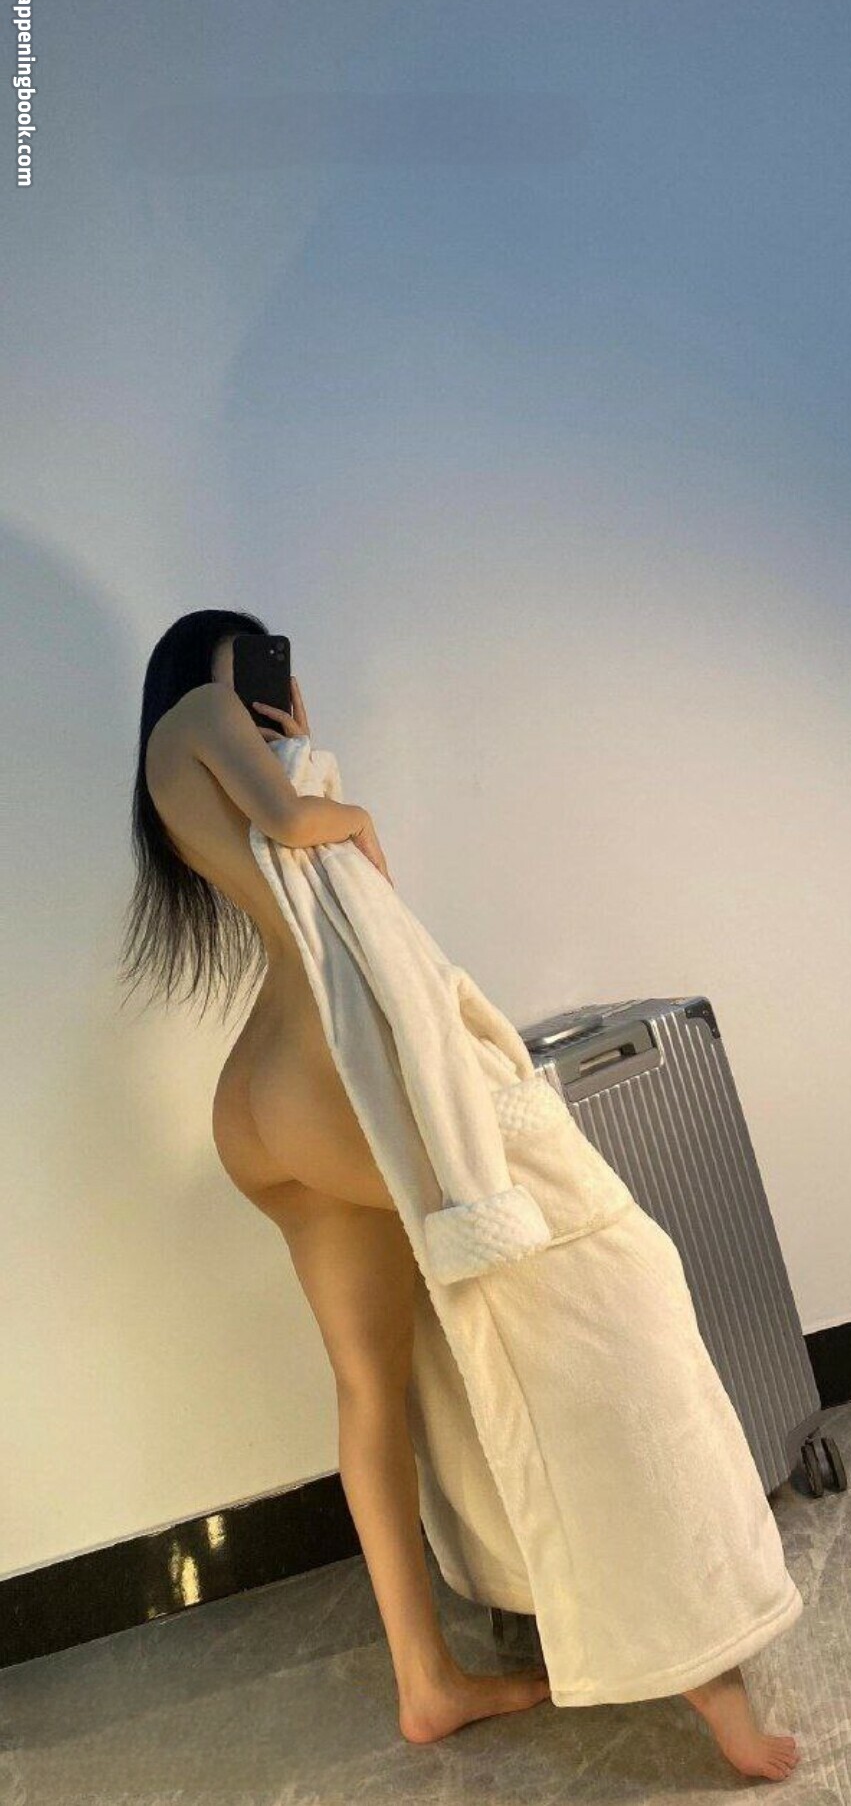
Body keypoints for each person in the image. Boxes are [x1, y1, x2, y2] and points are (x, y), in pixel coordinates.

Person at [118, 609, 551, 1746]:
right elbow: (308, 832)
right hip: (312, 1083)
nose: (268, 679)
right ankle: (618, 1595)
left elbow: (314, 872)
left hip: (256, 1103)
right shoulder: (201, 714)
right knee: (542, 1247)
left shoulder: (173, 765)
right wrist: (345, 799)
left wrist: (299, 743)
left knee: (369, 1385)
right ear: (211, 660)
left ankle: (428, 1682)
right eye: (255, 657)